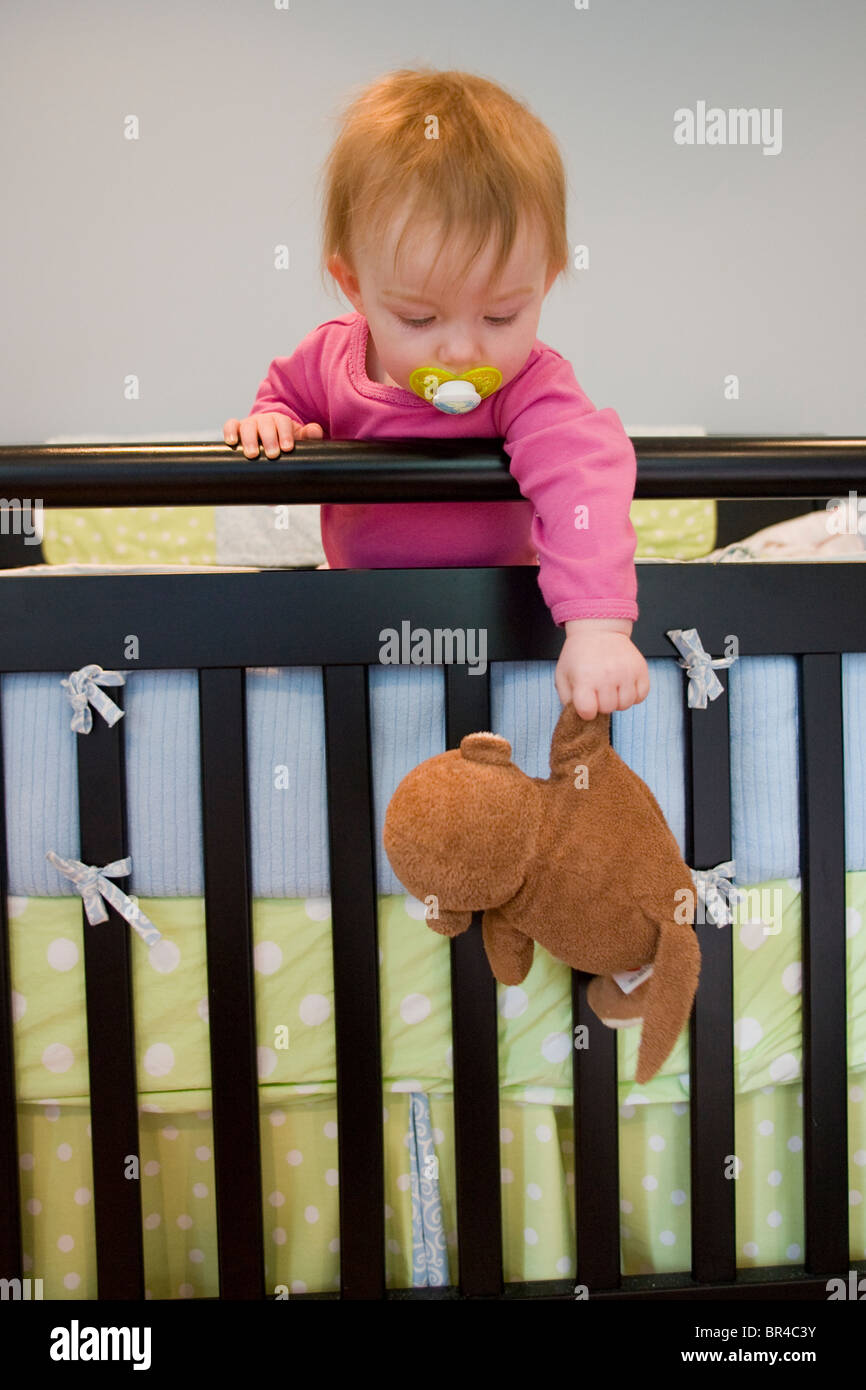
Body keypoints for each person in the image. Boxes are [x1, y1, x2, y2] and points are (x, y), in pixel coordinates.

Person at [224, 67, 649, 719]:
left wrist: (598, 628)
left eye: (501, 316)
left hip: (499, 618)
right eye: (419, 320)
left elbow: (582, 482)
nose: (460, 352)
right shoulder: (330, 359)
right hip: (360, 617)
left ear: (547, 280)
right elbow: (281, 398)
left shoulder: (531, 384)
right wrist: (272, 423)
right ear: (356, 287)